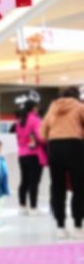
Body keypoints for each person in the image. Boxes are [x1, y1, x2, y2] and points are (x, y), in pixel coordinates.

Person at [41, 87, 84, 240]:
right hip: (75, 146)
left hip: (55, 147)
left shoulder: (52, 108)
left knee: (57, 187)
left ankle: (60, 227)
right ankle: (78, 226)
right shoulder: (79, 107)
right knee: (79, 188)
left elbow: (42, 132)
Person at [15, 100, 46, 215]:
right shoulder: (36, 120)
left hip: (22, 154)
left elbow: (18, 138)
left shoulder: (19, 121)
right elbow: (41, 137)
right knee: (34, 182)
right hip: (35, 155)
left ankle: (22, 206)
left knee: (24, 181)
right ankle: (33, 208)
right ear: (34, 108)